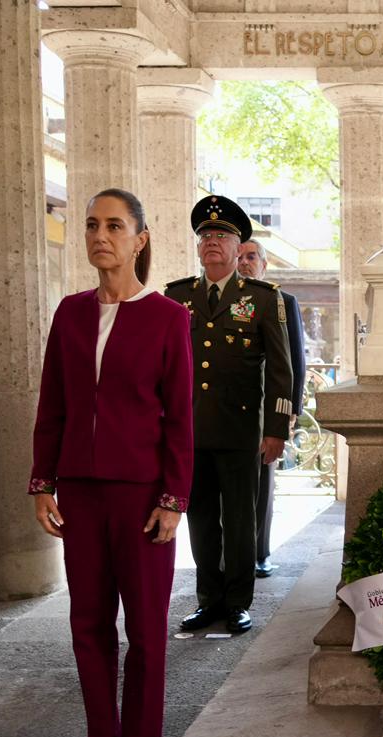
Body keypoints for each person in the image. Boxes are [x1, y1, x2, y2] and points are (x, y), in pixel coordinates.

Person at [28, 188, 193, 737]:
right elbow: (53, 406)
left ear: (139, 239)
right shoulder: (69, 313)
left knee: (146, 626)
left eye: (115, 226)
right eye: (93, 225)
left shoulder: (169, 318)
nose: (101, 235)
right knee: (88, 622)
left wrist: (174, 498)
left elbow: (180, 417)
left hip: (142, 493)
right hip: (79, 490)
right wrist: (43, 483)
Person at [168, 196, 296, 635]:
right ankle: (209, 599)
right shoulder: (178, 297)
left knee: (241, 522)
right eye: (205, 236)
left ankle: (239, 601)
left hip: (242, 431)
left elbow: (281, 370)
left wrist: (276, 428)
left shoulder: (260, 299)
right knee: (201, 521)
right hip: (192, 430)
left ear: (237, 245)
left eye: (221, 236)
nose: (212, 243)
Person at [236, 239, 306, 578]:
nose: (244, 263)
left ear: (264, 265)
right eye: (240, 257)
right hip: (228, 409)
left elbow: (295, 360)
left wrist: (291, 411)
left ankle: (260, 552)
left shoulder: (282, 300)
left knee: (262, 485)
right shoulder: (218, 302)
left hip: (266, 409)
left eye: (251, 257)